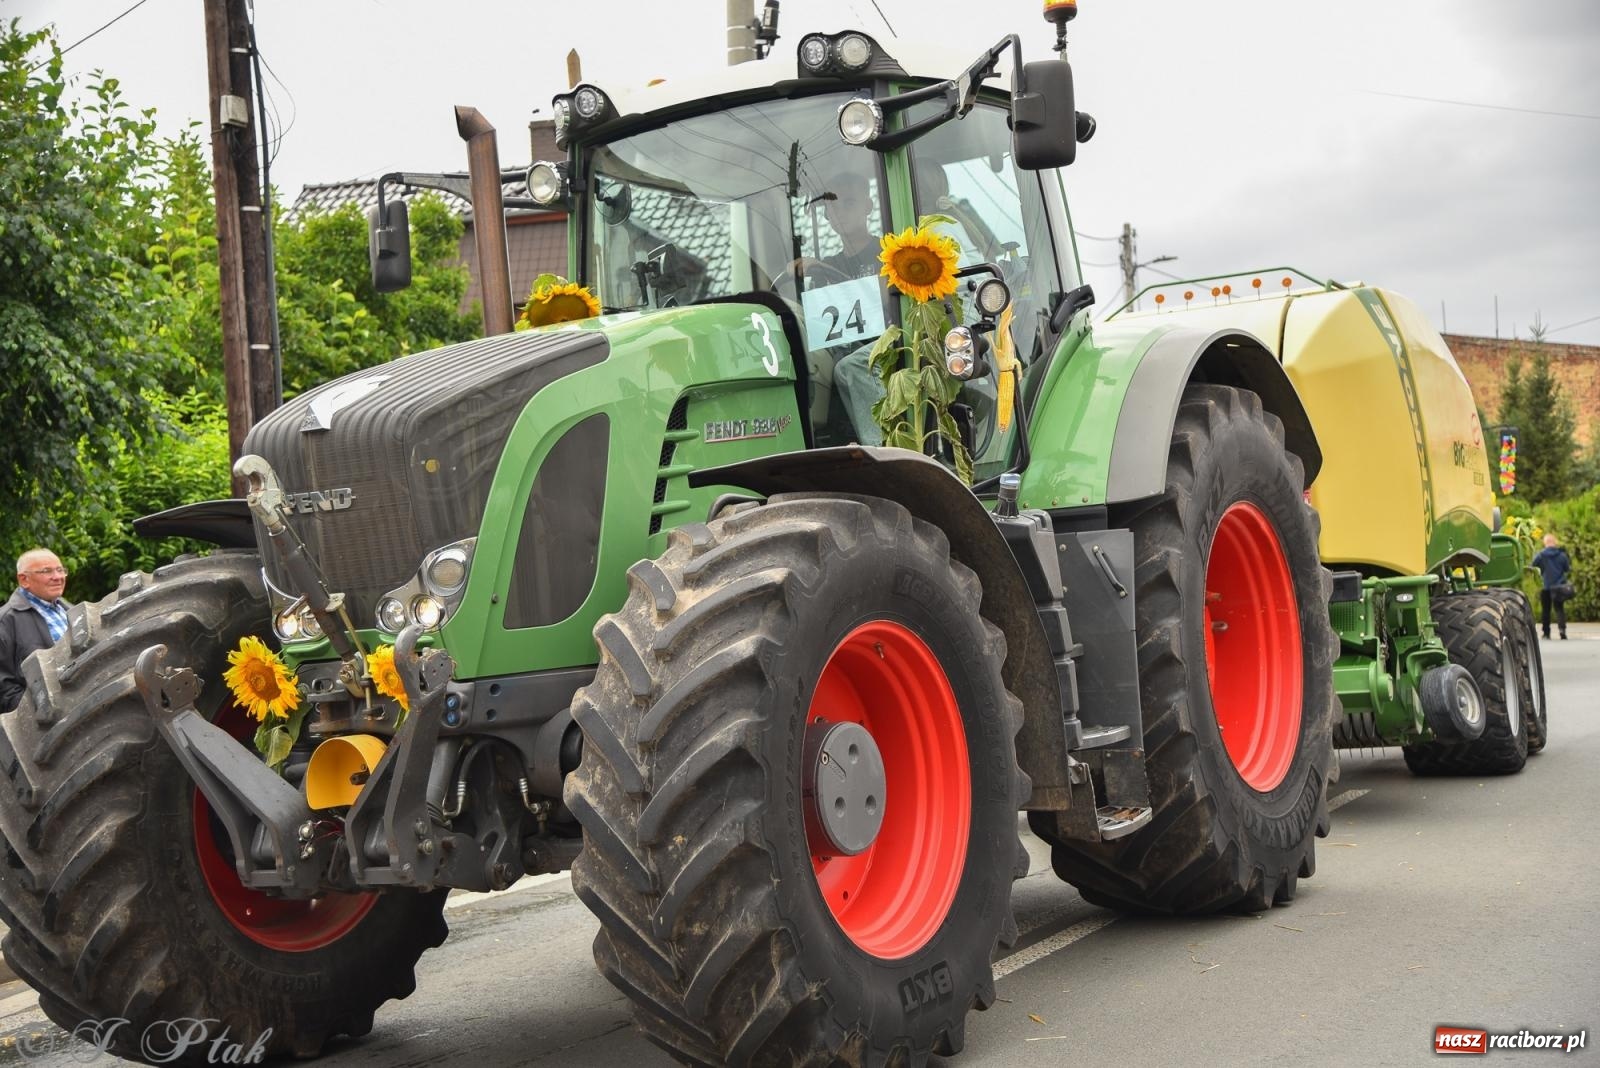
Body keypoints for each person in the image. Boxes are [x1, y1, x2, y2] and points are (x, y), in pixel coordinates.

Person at [0, 549, 73, 713]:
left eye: (60, 570)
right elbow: (4, 687)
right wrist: (38, 713)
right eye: (47, 571)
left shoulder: (72, 610)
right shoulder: (5, 621)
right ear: (24, 579)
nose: (58, 577)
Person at [1530, 533, 1572, 640]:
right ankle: (1562, 630)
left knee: (1546, 610)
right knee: (1559, 609)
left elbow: (1533, 565)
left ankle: (1546, 633)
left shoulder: (1541, 555)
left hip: (1546, 586)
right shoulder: (1562, 555)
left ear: (1545, 543)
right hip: (1559, 586)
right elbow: (1567, 569)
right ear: (1555, 542)